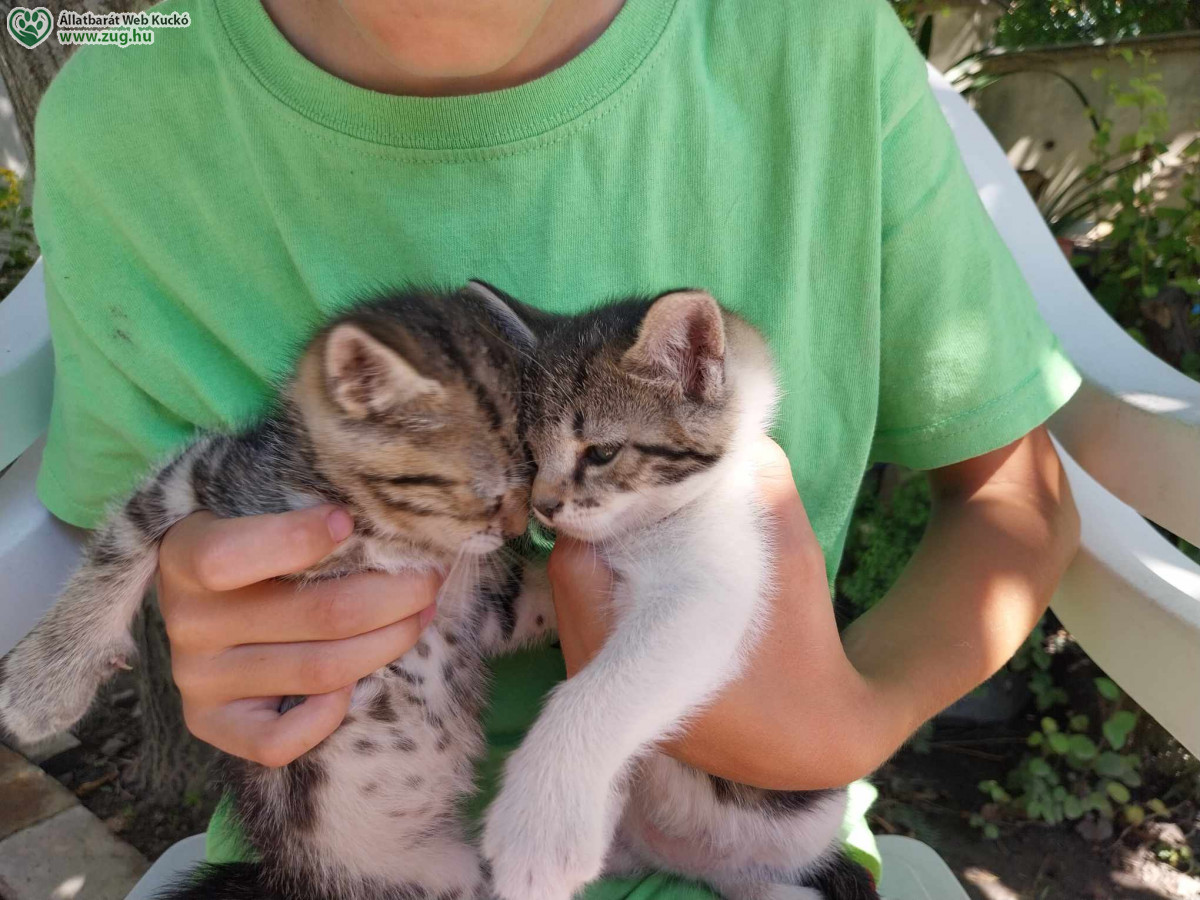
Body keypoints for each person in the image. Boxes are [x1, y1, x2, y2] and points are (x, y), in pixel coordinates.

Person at [31, 0, 1082, 891]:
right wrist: (191, 648)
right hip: (343, 855)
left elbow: (1015, 498)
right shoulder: (122, 118)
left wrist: (850, 729)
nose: (531, 513)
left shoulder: (814, 42)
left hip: (748, 842)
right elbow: (140, 573)